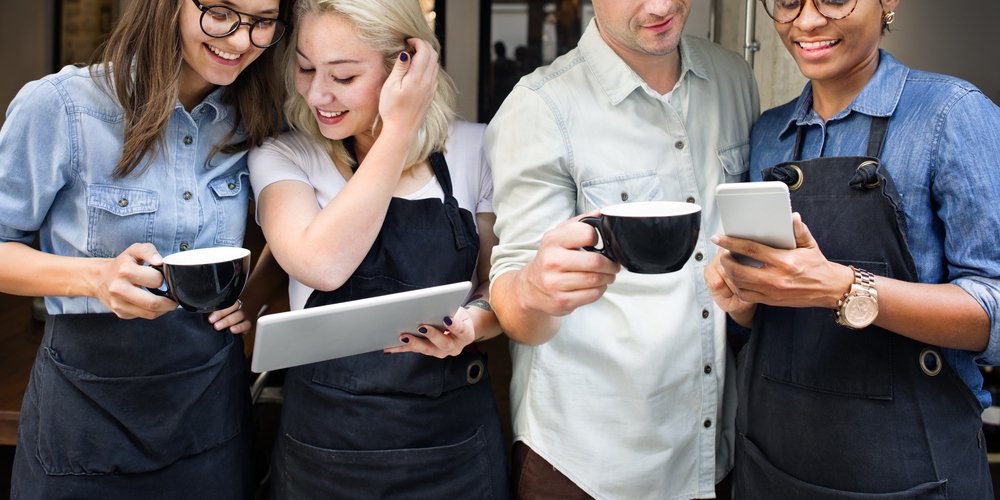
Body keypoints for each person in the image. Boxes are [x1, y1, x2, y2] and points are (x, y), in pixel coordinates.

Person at [705, 0, 1000, 497]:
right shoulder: (769, 135)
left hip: (912, 470)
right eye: (786, 2)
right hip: (772, 462)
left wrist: (845, 289)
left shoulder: (951, 114)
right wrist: (745, 304)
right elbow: (775, 311)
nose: (808, 20)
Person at [0, 0, 289, 498]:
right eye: (220, 12)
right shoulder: (62, 106)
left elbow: (297, 237)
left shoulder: (257, 119)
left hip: (211, 412)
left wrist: (253, 296)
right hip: (85, 415)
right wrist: (93, 278)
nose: (241, 41)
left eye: (262, 22)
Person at [484, 0, 759, 498]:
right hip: (589, 464)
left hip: (715, 450)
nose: (660, 6)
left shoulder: (733, 77)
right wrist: (532, 289)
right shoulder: (540, 105)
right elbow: (512, 303)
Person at [246, 0, 510, 497]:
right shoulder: (284, 156)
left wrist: (474, 322)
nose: (317, 93)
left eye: (343, 76)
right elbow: (322, 264)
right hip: (325, 450)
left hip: (453, 448)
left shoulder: (477, 149)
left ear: (406, 67)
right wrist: (400, 131)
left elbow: (497, 285)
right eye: (305, 68)